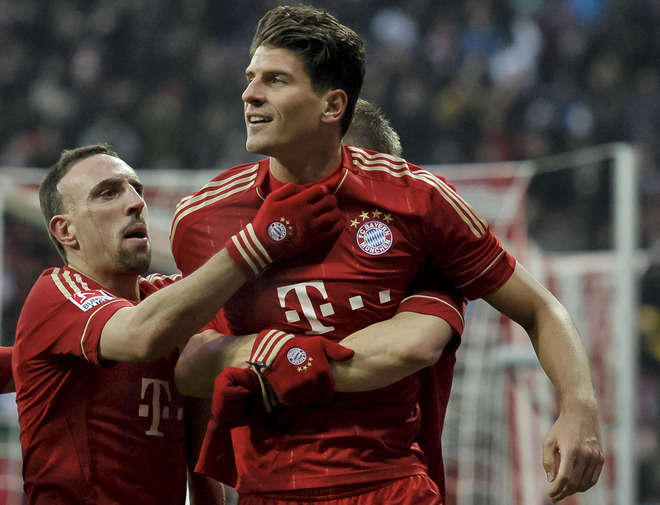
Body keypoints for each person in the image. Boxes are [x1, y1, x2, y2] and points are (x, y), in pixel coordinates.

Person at [171, 5, 604, 505]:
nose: (249, 94)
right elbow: (190, 364)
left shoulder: (418, 200)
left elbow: (540, 308)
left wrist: (579, 406)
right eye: (250, 78)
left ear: (332, 106)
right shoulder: (201, 218)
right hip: (268, 491)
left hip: (387, 486)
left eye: (275, 80)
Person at [12, 142, 343, 505]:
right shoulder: (57, 294)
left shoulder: (170, 303)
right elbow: (142, 336)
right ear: (65, 232)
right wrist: (256, 244)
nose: (136, 202)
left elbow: (197, 453)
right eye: (107, 194)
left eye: (135, 189)